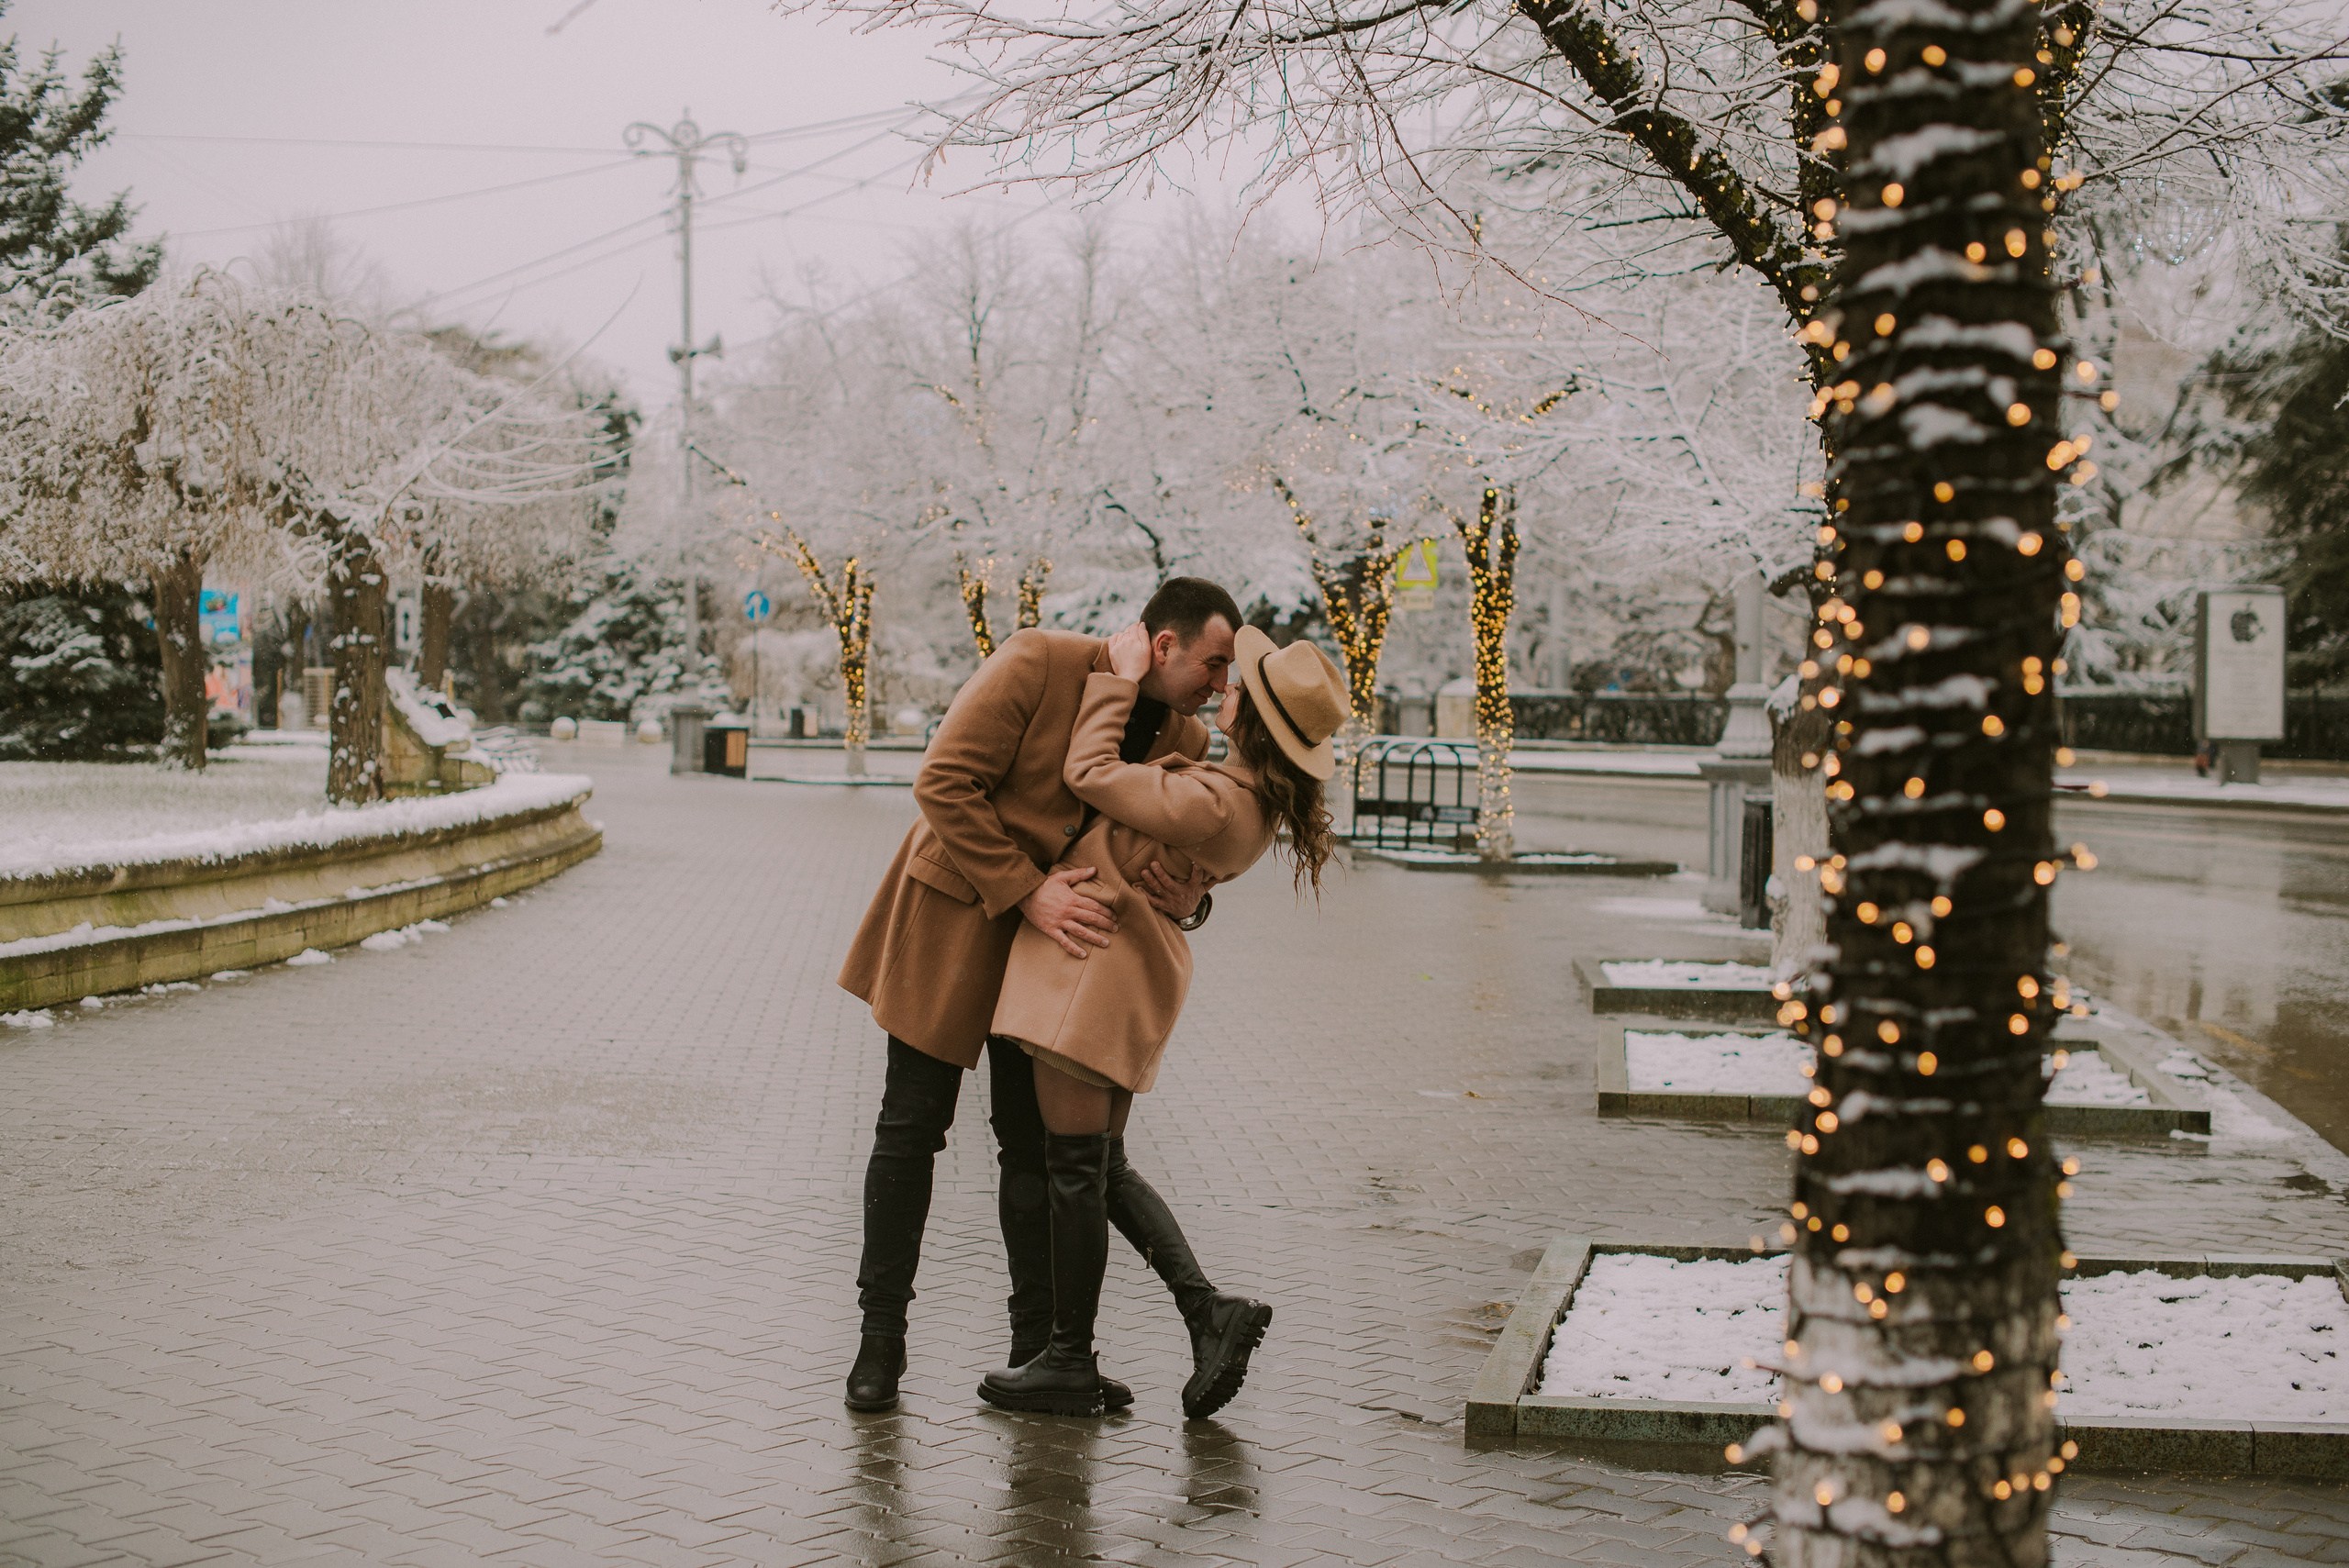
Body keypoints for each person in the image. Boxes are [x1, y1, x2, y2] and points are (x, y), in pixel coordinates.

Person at [836, 578, 1243, 1414]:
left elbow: (1172, 841)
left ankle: (1042, 1352)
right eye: (1212, 661)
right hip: (954, 913)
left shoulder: (1185, 733)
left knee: (1032, 1148)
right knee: (911, 1128)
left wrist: (1187, 896)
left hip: (1049, 955)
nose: (1219, 682)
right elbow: (943, 783)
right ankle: (880, 1341)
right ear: (1162, 646)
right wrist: (1030, 889)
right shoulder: (1038, 661)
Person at [977, 620, 1348, 1418]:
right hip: (1122, 979)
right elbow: (1176, 860)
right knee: (1100, 1168)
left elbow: (1088, 769)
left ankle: (1071, 1358)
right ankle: (1205, 1312)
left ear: (1259, 720)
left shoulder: (1214, 798)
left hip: (1090, 976)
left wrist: (1116, 676)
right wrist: (1196, 896)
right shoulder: (1245, 800)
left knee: (1077, 1171)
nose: (1223, 689)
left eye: (1237, 690)